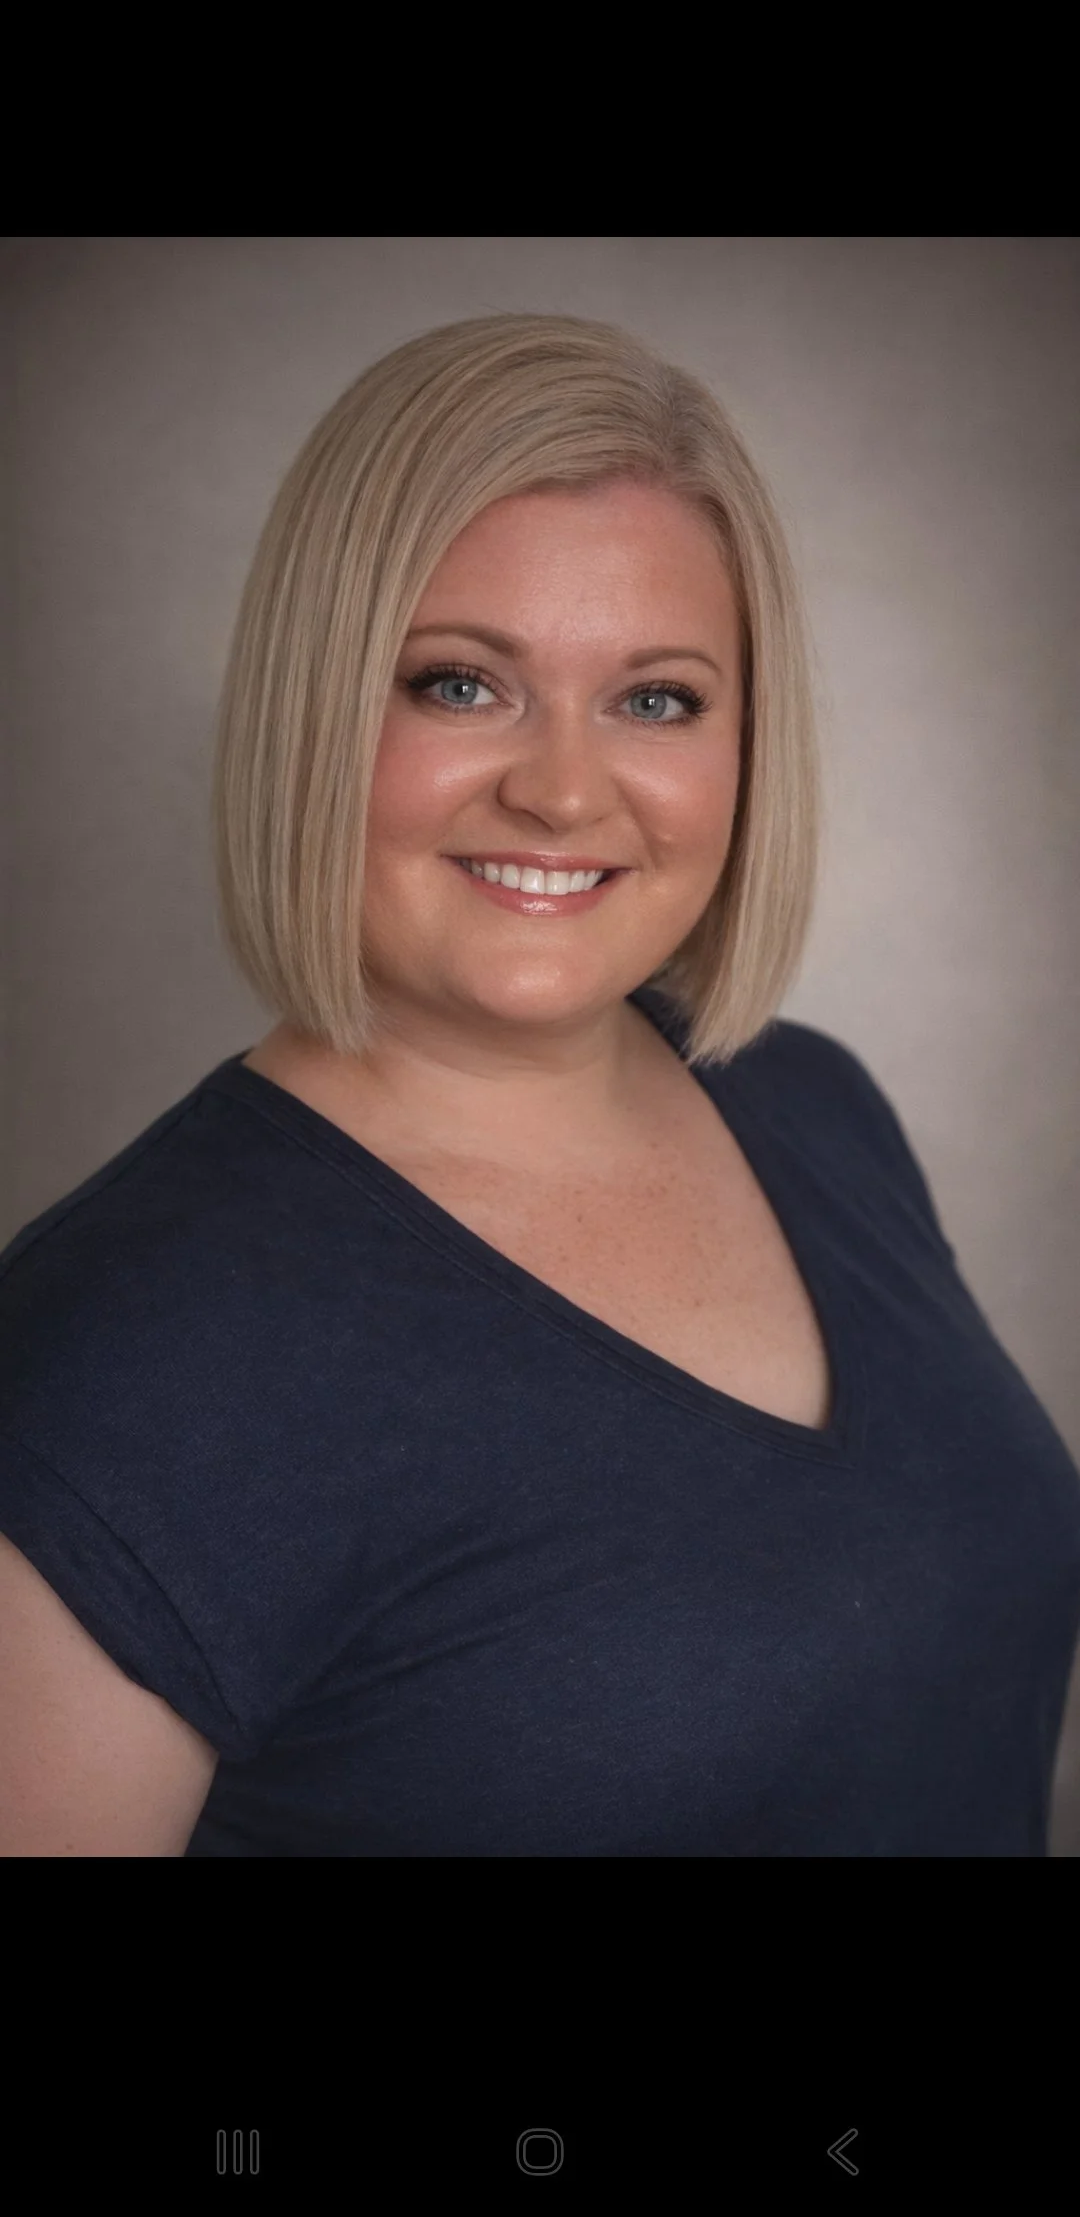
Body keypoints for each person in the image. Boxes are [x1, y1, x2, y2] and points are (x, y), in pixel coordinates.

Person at [2, 311, 1079, 1858]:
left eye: (657, 700)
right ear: (318, 710)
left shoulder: (816, 1110)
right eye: (459, 684)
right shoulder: (108, 1359)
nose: (565, 791)